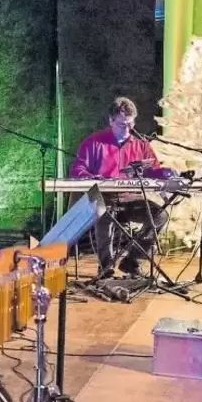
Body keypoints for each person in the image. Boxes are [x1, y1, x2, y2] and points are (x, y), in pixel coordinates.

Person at [70, 97, 174, 276]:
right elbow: (77, 168)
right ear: (111, 120)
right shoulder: (94, 142)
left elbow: (153, 170)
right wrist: (92, 178)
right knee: (104, 215)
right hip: (104, 197)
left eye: (131, 124)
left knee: (160, 215)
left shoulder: (141, 144)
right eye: (121, 124)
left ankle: (132, 260)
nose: (127, 129)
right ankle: (106, 268)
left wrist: (167, 174)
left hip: (130, 198)